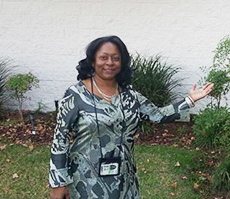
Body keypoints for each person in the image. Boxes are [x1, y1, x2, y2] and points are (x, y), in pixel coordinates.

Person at [49, 35, 214, 199]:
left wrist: (190, 100)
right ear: (93, 61)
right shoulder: (76, 95)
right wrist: (58, 183)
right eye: (103, 57)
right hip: (85, 180)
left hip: (123, 179)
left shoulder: (130, 96)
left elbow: (158, 115)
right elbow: (60, 139)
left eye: (116, 58)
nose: (109, 63)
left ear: (122, 63)